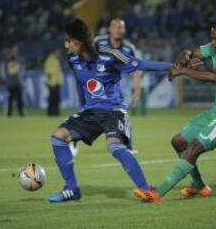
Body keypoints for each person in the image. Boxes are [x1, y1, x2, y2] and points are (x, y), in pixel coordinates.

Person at [47, 18, 171, 203]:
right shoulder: (72, 59)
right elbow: (83, 87)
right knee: (58, 137)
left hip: (114, 110)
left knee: (113, 146)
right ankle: (72, 189)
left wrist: (172, 67)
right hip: (90, 112)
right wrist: (82, 109)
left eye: (68, 40)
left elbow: (140, 64)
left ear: (78, 41)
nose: (65, 45)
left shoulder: (110, 56)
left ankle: (148, 190)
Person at [133, 21, 216, 203]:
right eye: (212, 38)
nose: (213, 43)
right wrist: (185, 53)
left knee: (194, 146)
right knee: (179, 141)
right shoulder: (214, 47)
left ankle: (157, 193)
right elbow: (192, 52)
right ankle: (198, 186)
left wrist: (184, 71)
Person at [94, 18, 142, 110]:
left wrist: (137, 92)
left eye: (120, 27)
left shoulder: (129, 48)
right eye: (114, 27)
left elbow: (136, 71)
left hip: (118, 90)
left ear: (124, 30)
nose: (117, 30)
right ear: (109, 29)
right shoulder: (98, 42)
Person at [0, 46, 25, 117]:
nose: (14, 52)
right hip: (11, 83)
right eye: (13, 51)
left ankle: (19, 113)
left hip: (16, 83)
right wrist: (6, 80)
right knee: (11, 100)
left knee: (18, 100)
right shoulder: (10, 61)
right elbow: (3, 72)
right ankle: (10, 113)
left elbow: (22, 71)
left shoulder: (15, 60)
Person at [44, 48, 64, 116]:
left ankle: (55, 113)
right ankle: (51, 113)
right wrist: (51, 82)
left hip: (57, 82)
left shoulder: (55, 60)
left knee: (55, 99)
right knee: (52, 99)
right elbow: (48, 72)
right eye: (57, 52)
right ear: (54, 53)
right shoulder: (50, 60)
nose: (59, 54)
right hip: (52, 83)